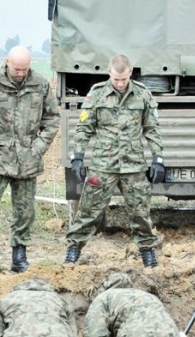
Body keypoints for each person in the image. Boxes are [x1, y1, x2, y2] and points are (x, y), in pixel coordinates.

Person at [0, 46, 60, 273]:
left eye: (25, 69)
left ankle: (19, 258)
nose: (21, 73)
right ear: (7, 62)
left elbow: (52, 119)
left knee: (25, 212)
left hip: (27, 159)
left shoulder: (40, 85)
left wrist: (38, 148)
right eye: (17, 69)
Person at [64, 54, 165, 269]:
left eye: (124, 79)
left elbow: (152, 129)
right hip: (103, 164)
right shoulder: (97, 94)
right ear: (110, 73)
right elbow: (84, 128)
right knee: (88, 211)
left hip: (133, 165)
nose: (120, 84)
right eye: (116, 79)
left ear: (130, 73)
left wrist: (158, 158)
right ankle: (73, 250)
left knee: (140, 212)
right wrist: (78, 157)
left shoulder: (142, 94)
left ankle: (147, 252)